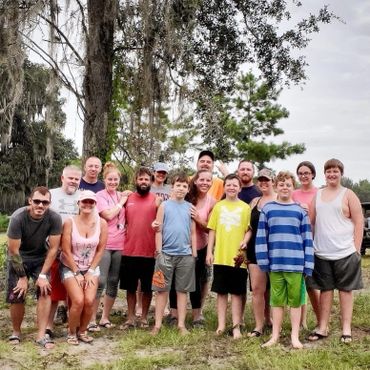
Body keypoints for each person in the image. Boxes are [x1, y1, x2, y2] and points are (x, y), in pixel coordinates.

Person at [256, 171, 314, 349]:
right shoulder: (268, 209)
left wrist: (308, 265)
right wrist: (263, 260)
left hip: (296, 264)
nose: (284, 188)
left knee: (295, 302)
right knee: (277, 301)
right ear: (276, 186)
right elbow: (261, 238)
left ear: (292, 187)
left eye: (288, 185)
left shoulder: (300, 211)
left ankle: (294, 336)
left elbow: (307, 239)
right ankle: (274, 336)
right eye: (281, 184)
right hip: (275, 264)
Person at [308, 159, 363, 344]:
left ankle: (346, 329)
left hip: (345, 251)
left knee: (345, 290)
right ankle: (322, 327)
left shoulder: (348, 194)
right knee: (325, 290)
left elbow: (359, 222)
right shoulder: (318, 195)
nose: (332, 174)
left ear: (341, 173)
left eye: (335, 171)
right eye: (329, 171)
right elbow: (311, 221)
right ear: (325, 174)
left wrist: (356, 248)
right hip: (322, 252)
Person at [6, 186, 62, 349]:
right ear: (30, 201)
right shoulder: (18, 217)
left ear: (49, 203)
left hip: (40, 258)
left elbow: (53, 249)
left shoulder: (54, 218)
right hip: (19, 257)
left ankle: (41, 335)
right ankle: (16, 332)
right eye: (37, 201)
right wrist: (22, 278)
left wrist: (43, 275)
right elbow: (13, 250)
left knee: (45, 292)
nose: (40, 205)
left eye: (45, 202)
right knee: (17, 294)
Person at [151, 173, 197, 335]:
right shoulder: (164, 205)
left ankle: (181, 325)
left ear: (188, 189)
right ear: (172, 187)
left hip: (185, 255)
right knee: (161, 290)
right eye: (178, 185)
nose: (181, 188)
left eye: (184, 186)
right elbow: (158, 230)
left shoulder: (190, 207)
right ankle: (157, 325)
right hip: (166, 254)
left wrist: (194, 253)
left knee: (182, 291)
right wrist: (159, 252)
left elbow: (192, 233)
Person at [206, 174, 251, 339]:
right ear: (224, 187)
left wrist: (245, 241)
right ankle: (221, 325)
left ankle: (236, 326)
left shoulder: (245, 207)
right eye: (229, 185)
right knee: (221, 292)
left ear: (240, 188)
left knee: (237, 293)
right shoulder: (219, 206)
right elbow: (212, 230)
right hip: (220, 257)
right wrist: (209, 251)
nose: (231, 187)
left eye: (235, 185)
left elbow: (249, 229)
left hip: (238, 259)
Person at [60, 190, 108, 345]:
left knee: (89, 301)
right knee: (78, 300)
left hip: (91, 267)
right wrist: (77, 272)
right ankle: (72, 332)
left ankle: (83, 331)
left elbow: (101, 249)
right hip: (70, 266)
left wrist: (91, 271)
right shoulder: (69, 222)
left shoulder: (102, 223)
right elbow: (66, 250)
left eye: (91, 202)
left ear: (95, 204)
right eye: (84, 202)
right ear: (78, 204)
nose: (87, 204)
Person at [88, 162, 130, 331]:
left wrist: (124, 198)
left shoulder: (122, 194)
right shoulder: (99, 196)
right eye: (110, 179)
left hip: (121, 245)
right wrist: (121, 202)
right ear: (104, 180)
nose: (113, 182)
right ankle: (91, 318)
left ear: (119, 180)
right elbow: (108, 215)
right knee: (100, 281)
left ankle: (105, 317)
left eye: (115, 179)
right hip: (105, 244)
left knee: (113, 281)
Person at [119, 167, 158, 329]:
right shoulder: (127, 199)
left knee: (148, 288)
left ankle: (144, 318)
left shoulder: (156, 200)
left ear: (151, 182)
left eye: (146, 179)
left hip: (150, 251)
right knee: (130, 288)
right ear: (136, 181)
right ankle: (130, 318)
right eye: (141, 179)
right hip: (129, 250)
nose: (143, 182)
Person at [46, 165, 82, 338]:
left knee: (72, 290)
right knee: (53, 290)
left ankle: (73, 325)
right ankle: (48, 326)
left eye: (76, 179)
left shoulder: (84, 197)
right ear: (62, 178)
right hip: (52, 249)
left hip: (74, 252)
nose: (73, 181)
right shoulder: (51, 195)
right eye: (70, 178)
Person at [246, 168, 276, 337]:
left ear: (273, 181)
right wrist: (244, 241)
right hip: (255, 249)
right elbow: (249, 227)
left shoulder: (281, 198)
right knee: (258, 289)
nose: (264, 183)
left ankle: (272, 320)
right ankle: (259, 325)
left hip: (276, 250)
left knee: (274, 288)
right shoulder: (254, 202)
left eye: (267, 180)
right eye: (261, 180)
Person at [292, 161, 320, 329]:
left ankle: (320, 319)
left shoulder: (319, 193)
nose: (303, 176)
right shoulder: (294, 194)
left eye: (306, 173)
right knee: (301, 284)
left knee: (313, 285)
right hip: (297, 243)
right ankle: (302, 322)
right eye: (300, 173)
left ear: (313, 174)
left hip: (316, 241)